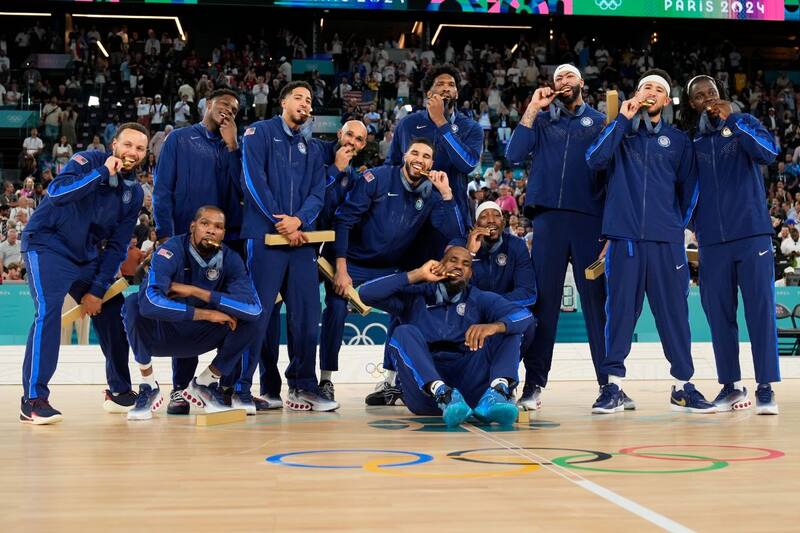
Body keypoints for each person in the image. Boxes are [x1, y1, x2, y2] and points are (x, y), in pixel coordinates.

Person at [585, 69, 715, 414]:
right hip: (624, 238)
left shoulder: (679, 141)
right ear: (636, 94)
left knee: (674, 315)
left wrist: (674, 228)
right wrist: (622, 121)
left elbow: (690, 192)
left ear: (666, 100)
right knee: (620, 312)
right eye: (646, 87)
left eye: (658, 89)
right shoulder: (619, 133)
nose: (651, 93)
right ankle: (612, 387)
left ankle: (683, 385)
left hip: (665, 242)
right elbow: (594, 160)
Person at [19, 123, 148, 424]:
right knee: (49, 312)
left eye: (140, 148)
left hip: (86, 255)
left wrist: (97, 289)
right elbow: (57, 192)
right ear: (114, 144)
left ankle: (119, 392)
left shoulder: (134, 192)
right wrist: (103, 172)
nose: (133, 152)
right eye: (127, 145)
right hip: (46, 245)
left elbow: (117, 246)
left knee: (112, 309)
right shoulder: (88, 160)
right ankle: (33, 401)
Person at [505, 64, 611, 410]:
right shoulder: (542, 119)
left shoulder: (598, 122)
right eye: (558, 78)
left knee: (596, 304)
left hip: (589, 222)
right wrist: (532, 108)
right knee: (544, 304)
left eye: (569, 76)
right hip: (548, 219)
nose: (563, 81)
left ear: (582, 82)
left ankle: (608, 384)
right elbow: (513, 154)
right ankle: (534, 384)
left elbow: (611, 175)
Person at [327, 139, 465, 402]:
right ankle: (325, 381)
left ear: (431, 164)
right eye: (415, 153)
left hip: (389, 267)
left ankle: (391, 382)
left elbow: (455, 233)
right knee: (334, 308)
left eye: (426, 156)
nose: (419, 159)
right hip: (354, 263)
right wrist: (341, 268)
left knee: (407, 307)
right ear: (404, 156)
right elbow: (343, 220)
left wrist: (447, 194)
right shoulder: (377, 178)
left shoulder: (432, 194)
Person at [684, 75, 781, 414]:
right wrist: (697, 226)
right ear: (692, 104)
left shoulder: (744, 123)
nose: (707, 98)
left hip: (752, 233)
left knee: (760, 312)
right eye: (700, 95)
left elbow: (768, 153)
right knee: (719, 316)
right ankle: (729, 386)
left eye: (711, 92)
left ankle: (766, 386)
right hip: (712, 242)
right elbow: (685, 192)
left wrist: (735, 120)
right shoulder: (692, 141)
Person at [237, 81, 333, 411]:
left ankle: (302, 386)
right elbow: (252, 180)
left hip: (301, 240)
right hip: (265, 238)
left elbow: (318, 193)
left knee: (307, 316)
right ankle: (245, 387)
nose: (304, 103)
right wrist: (281, 220)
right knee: (259, 315)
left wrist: (299, 221)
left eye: (309, 99)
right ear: (283, 101)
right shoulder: (258, 133)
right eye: (298, 97)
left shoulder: (314, 147)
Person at [359, 246, 534, 427]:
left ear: (470, 274)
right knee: (403, 332)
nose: (459, 266)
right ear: (438, 266)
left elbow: (525, 316)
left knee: (508, 329)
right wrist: (418, 274)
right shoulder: (415, 296)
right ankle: (443, 394)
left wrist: (495, 326)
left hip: (470, 392)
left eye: (466, 264)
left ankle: (498, 393)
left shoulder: (480, 298)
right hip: (426, 397)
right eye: (453, 260)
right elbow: (365, 293)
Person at [152, 88, 244, 414]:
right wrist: (165, 234)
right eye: (222, 105)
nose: (227, 112)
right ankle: (180, 389)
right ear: (207, 105)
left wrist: (234, 146)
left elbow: (242, 191)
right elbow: (162, 189)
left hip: (227, 243)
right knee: (186, 310)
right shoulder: (179, 139)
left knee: (236, 313)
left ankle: (225, 388)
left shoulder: (235, 147)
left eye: (233, 109)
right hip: (182, 240)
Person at [123, 206, 262, 420]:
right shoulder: (169, 250)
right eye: (205, 223)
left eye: (218, 227)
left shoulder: (231, 259)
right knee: (132, 304)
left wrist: (199, 293)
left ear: (224, 233)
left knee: (252, 321)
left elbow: (253, 308)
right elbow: (149, 302)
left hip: (202, 336)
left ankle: (206, 383)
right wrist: (206, 314)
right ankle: (148, 385)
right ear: (193, 227)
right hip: (165, 334)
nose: (211, 230)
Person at [388, 65, 483, 230]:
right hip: (410, 215)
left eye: (451, 85)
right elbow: (392, 167)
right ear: (428, 93)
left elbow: (467, 164)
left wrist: (441, 122)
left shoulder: (471, 127)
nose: (446, 88)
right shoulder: (407, 124)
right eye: (440, 84)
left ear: (457, 93)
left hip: (452, 213)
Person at [451, 201, 537, 353]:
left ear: (503, 222)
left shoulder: (516, 246)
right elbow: (451, 290)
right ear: (476, 224)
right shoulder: (460, 245)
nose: (491, 219)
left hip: (500, 315)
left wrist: (491, 306)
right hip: (468, 314)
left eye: (496, 215)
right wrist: (469, 254)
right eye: (484, 216)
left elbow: (528, 294)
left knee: (527, 321)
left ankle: (505, 374)